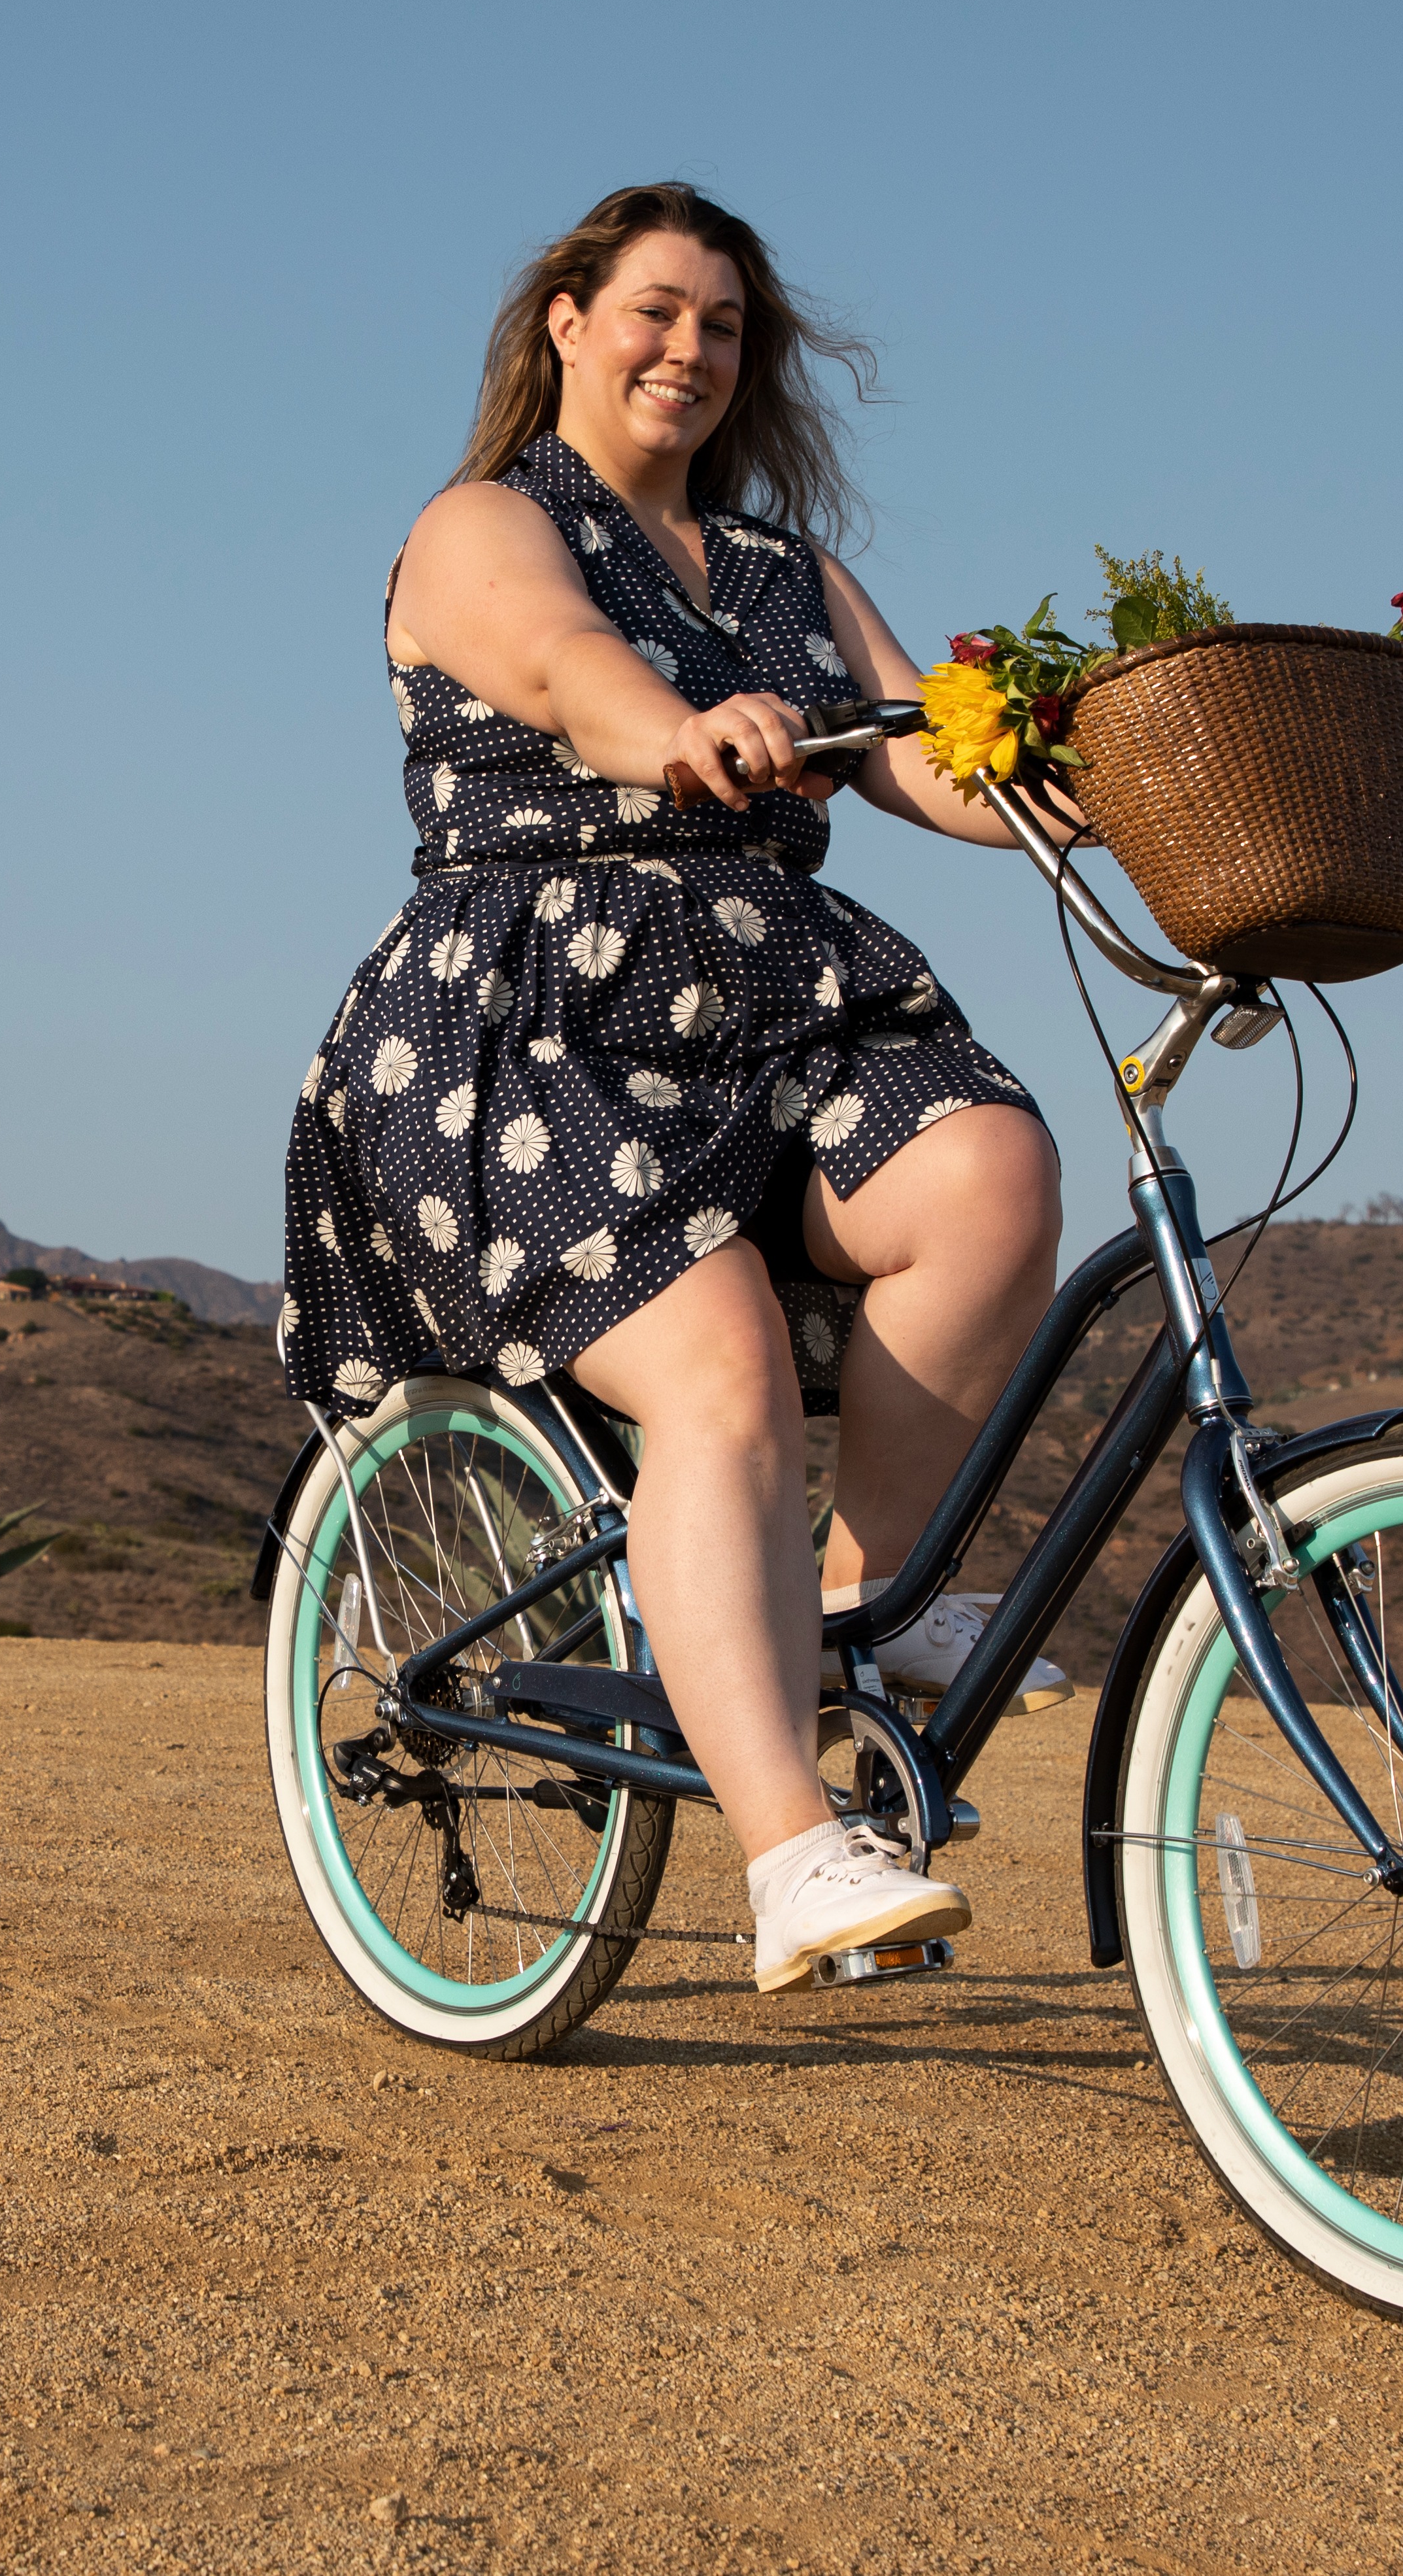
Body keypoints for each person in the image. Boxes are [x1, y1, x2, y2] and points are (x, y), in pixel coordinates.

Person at [279, 182, 1073, 1994]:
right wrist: (678, 727)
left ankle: (859, 1605)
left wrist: (1089, 778)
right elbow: (567, 671)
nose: (690, 350)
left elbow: (932, 755)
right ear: (565, 320)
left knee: (992, 1178)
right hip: (522, 1023)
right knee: (714, 1360)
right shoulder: (483, 523)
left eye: (722, 326)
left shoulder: (786, 573)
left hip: (769, 1011)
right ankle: (794, 1851)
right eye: (655, 310)